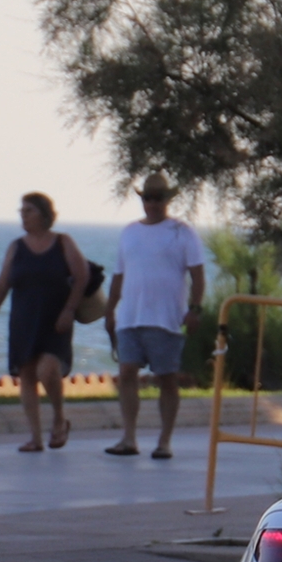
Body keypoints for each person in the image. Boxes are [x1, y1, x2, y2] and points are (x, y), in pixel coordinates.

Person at [103, 172, 205, 458]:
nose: (153, 203)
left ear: (168, 200)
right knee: (126, 374)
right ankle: (128, 438)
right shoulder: (130, 232)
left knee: (167, 378)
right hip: (130, 317)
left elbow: (198, 275)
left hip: (166, 318)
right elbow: (118, 276)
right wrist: (110, 310)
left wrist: (195, 308)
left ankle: (164, 441)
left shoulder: (182, 231)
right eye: (148, 198)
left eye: (159, 198)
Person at [0, 192, 90, 452]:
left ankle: (60, 419)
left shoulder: (63, 242)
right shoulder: (16, 247)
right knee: (27, 376)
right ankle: (36, 438)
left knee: (47, 371)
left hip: (56, 321)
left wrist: (70, 309)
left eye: (28, 210)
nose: (23, 215)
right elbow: (2, 285)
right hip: (23, 321)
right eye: (22, 210)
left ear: (43, 213)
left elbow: (82, 275)